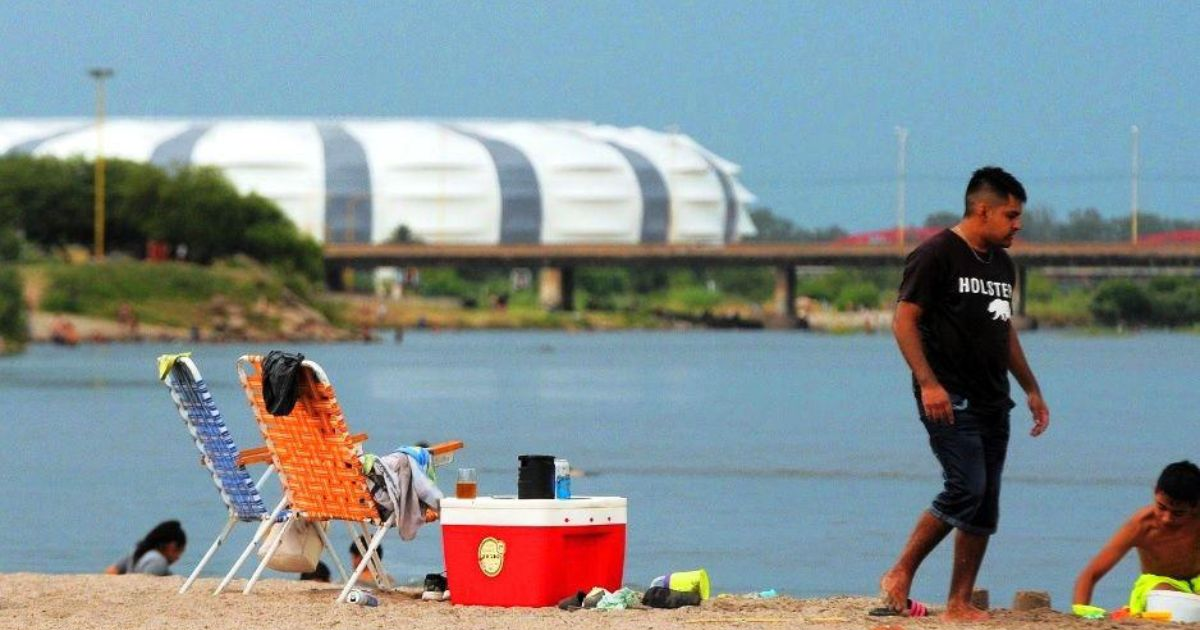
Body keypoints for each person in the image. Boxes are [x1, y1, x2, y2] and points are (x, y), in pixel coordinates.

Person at [879, 166, 1050, 621]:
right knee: (965, 487)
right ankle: (900, 572)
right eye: (1011, 215)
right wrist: (929, 384)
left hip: (994, 398)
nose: (1017, 224)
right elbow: (904, 321)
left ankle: (959, 601)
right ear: (982, 209)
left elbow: (1004, 330)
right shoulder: (936, 255)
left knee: (985, 502)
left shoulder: (1002, 265)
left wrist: (1031, 388)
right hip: (948, 396)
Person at [1073, 461, 1200, 617]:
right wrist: (1082, 613)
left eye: (1178, 513)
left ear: (1195, 506)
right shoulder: (1141, 525)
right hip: (1158, 585)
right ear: (1155, 492)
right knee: (1169, 601)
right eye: (1161, 507)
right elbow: (1090, 575)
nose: (1166, 518)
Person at [105, 520, 187, 576]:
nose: (178, 558)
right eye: (179, 551)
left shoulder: (138, 552)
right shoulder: (157, 562)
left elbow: (111, 570)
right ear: (172, 546)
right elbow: (147, 583)